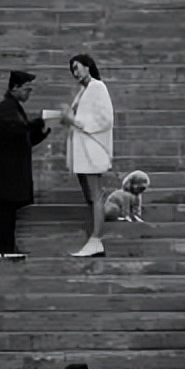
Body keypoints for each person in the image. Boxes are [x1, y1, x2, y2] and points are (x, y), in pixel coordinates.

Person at [0, 70, 52, 259]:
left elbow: (23, 137)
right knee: (4, 213)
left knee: (8, 213)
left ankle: (7, 247)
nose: (28, 94)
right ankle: (3, 248)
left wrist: (41, 132)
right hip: (6, 174)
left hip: (10, 173)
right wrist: (38, 123)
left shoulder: (13, 109)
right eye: (26, 89)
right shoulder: (3, 109)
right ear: (15, 88)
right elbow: (15, 130)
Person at [60, 54, 114, 257]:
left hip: (92, 149)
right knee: (90, 197)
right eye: (72, 70)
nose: (75, 73)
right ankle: (93, 235)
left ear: (87, 66)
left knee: (95, 194)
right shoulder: (83, 91)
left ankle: (96, 238)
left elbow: (105, 119)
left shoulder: (98, 87)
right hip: (82, 150)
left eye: (77, 67)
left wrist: (75, 120)